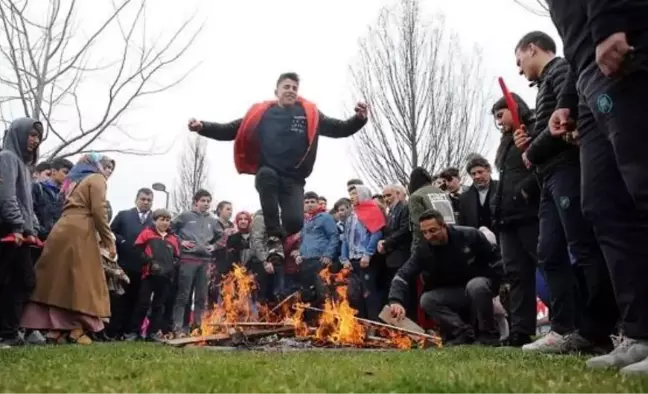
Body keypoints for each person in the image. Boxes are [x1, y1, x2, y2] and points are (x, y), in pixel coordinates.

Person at [547, 1, 648, 373]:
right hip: (586, 72)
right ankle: (640, 333)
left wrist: (611, 20)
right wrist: (567, 99)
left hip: (619, 40)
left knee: (643, 185)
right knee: (604, 206)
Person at [513, 31, 618, 354]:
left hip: (566, 170)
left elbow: (563, 122)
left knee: (582, 247)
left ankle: (599, 328)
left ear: (532, 49)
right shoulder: (545, 85)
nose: (519, 70)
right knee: (549, 251)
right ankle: (564, 327)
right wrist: (529, 140)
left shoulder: (560, 72)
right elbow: (548, 126)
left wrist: (532, 152)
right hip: (548, 177)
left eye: (519, 61)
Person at [188, 72, 368, 259]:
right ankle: (273, 235)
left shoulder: (308, 113)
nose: (291, 91)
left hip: (294, 179)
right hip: (268, 173)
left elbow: (339, 128)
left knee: (295, 222)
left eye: (294, 88)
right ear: (277, 91)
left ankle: (279, 240)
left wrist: (359, 119)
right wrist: (203, 127)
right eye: (287, 87)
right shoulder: (263, 113)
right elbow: (230, 129)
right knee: (266, 176)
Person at [21, 153, 116, 345]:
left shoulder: (72, 182)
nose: (107, 173)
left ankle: (56, 330)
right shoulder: (96, 179)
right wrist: (108, 239)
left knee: (59, 281)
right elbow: (99, 211)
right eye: (106, 167)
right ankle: (77, 329)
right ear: (98, 165)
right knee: (84, 281)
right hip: (81, 231)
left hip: (61, 228)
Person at [387, 209, 502, 347]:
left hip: (480, 286)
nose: (429, 236)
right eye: (425, 232)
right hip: (454, 292)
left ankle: (488, 334)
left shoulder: (470, 235)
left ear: (444, 226)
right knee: (427, 300)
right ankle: (463, 332)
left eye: (433, 230)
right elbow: (403, 274)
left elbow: (496, 260)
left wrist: (502, 286)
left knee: (475, 285)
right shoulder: (423, 249)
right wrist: (395, 300)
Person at [491, 93, 540, 347]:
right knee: (516, 275)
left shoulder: (531, 130)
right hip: (507, 218)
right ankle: (521, 329)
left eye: (501, 114)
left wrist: (526, 190)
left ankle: (569, 322)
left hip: (529, 213)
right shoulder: (506, 141)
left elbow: (541, 165)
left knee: (546, 266)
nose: (499, 121)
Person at [0, 118, 42, 346]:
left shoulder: (24, 167)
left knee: (24, 281)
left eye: (38, 137)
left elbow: (28, 204)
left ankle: (8, 332)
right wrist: (17, 226)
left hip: (22, 235)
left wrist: (32, 228)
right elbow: (6, 197)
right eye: (31, 135)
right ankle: (6, 333)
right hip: (8, 231)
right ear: (19, 133)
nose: (35, 141)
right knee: (13, 280)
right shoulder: (6, 158)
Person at [171, 189, 221, 336]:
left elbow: (222, 236)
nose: (205, 204)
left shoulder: (213, 220)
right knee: (183, 295)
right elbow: (170, 230)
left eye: (208, 201)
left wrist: (214, 246)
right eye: (203, 201)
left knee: (201, 296)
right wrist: (181, 242)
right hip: (188, 259)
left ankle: (198, 326)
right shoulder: (185, 216)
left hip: (205, 261)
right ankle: (178, 326)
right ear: (195, 202)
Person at [107, 188, 155, 339]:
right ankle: (114, 331)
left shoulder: (155, 219)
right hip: (124, 264)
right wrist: (121, 241)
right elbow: (110, 231)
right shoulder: (124, 215)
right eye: (143, 199)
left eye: (149, 200)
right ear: (136, 199)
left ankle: (130, 331)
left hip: (144, 268)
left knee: (138, 301)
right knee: (120, 299)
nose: (146, 202)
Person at [127, 209, 180, 341]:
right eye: (162, 219)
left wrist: (171, 268)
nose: (165, 223)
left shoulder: (173, 239)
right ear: (155, 220)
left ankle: (152, 332)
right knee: (143, 303)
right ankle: (134, 332)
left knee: (159, 306)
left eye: (168, 220)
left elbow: (177, 257)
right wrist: (149, 262)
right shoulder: (147, 233)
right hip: (149, 275)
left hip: (165, 277)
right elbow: (137, 250)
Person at [340, 185, 385, 321]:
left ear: (363, 194)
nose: (351, 197)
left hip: (366, 260)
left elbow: (376, 233)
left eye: (354, 193)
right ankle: (359, 325)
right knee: (355, 293)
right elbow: (346, 240)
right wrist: (344, 258)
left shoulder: (372, 210)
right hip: (352, 260)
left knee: (369, 293)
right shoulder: (351, 216)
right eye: (350, 194)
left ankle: (373, 324)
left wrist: (368, 254)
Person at [292, 192, 338, 305]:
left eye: (312, 202)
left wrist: (328, 255)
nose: (309, 204)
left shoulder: (326, 217)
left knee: (323, 294)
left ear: (318, 204)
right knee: (307, 294)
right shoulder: (304, 221)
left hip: (320, 262)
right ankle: (310, 321)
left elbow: (334, 236)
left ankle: (328, 321)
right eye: (306, 202)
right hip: (305, 262)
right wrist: (298, 254)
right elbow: (302, 241)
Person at [408, 167, 454, 250]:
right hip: (450, 239)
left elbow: (418, 226)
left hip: (431, 245)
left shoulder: (415, 196)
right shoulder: (443, 193)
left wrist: (416, 249)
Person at [32, 157, 73, 241]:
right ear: (54, 171)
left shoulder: (64, 196)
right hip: (37, 239)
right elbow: (30, 211)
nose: (68, 176)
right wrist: (40, 232)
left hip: (55, 241)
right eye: (65, 172)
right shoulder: (37, 187)